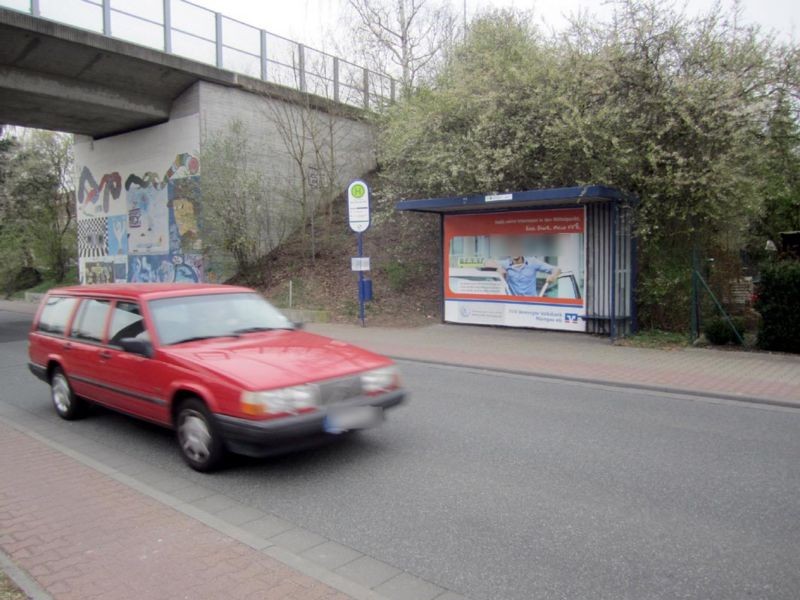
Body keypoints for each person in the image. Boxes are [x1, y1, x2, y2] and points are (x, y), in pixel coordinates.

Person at [485, 238, 561, 296]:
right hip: (514, 305)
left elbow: (557, 269)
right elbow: (487, 262)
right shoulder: (506, 264)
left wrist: (553, 276)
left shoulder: (532, 262)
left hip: (531, 303)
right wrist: (499, 267)